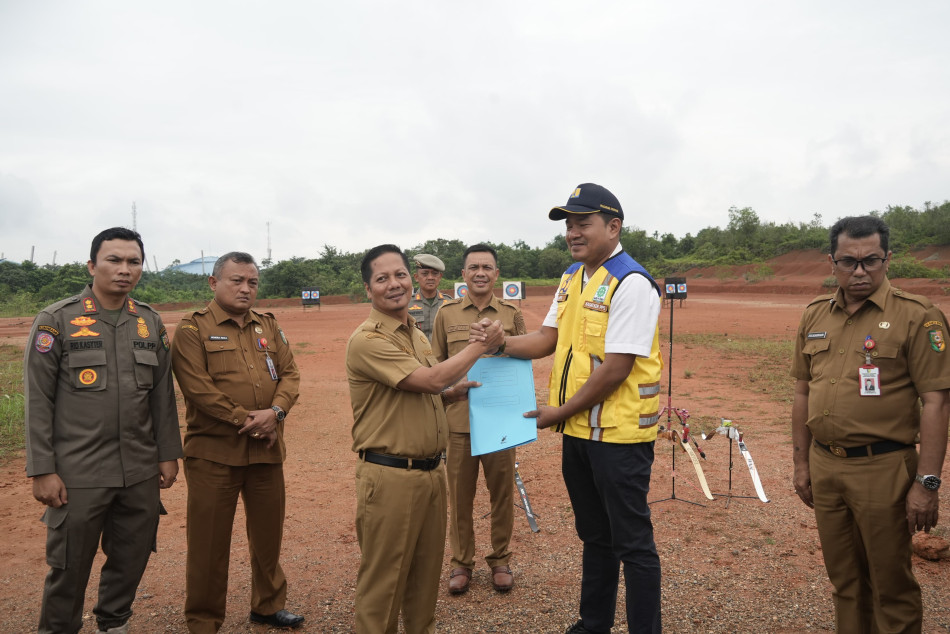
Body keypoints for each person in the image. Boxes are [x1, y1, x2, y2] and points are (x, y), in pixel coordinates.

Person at [476, 184, 664, 634]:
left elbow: (615, 369)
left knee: (633, 543)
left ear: (613, 227)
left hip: (618, 437)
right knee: (595, 536)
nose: (573, 233)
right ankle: (593, 623)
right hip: (580, 433)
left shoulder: (632, 283)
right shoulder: (573, 277)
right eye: (568, 225)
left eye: (583, 223)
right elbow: (549, 339)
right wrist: (502, 343)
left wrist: (554, 414)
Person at [791, 216, 950, 633]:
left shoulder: (918, 317)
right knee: (845, 580)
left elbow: (936, 401)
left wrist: (927, 482)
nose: (859, 271)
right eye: (849, 261)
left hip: (884, 469)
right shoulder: (814, 315)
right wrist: (801, 463)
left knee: (890, 584)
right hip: (826, 465)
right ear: (832, 262)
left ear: (887, 259)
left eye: (871, 261)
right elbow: (803, 392)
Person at [24, 227, 182, 634]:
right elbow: (38, 401)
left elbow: (162, 395)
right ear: (93, 265)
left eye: (134, 261)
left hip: (139, 469)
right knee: (69, 564)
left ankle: (114, 623)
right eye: (114, 260)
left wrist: (167, 453)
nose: (124, 270)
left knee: (132, 555)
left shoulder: (149, 322)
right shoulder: (57, 320)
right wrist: (42, 468)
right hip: (78, 472)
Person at [345, 244, 503, 633]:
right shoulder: (367, 339)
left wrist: (452, 394)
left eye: (400, 274)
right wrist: (480, 345)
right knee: (382, 592)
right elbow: (430, 379)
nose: (394, 284)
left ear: (411, 279)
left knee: (423, 587)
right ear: (369, 289)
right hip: (391, 479)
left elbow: (427, 391)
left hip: (431, 473)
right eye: (382, 278)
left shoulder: (414, 334)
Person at [170, 252, 304, 632]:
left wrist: (275, 413)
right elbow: (198, 389)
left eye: (253, 282)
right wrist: (248, 419)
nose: (246, 288)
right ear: (214, 283)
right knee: (208, 544)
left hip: (266, 450)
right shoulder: (192, 330)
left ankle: (267, 605)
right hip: (214, 455)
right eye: (237, 281)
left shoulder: (268, 325)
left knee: (268, 537)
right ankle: (203, 619)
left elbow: (290, 374)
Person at [430, 243, 527, 595]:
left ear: (497, 274)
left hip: (501, 422)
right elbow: (436, 365)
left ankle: (500, 558)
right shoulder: (446, 314)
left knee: (501, 494)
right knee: (460, 496)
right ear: (464, 274)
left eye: (487, 267)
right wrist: (452, 387)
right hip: (460, 421)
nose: (481, 273)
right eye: (474, 267)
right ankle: (461, 563)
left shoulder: (512, 313)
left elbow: (522, 362)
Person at [408, 253, 452, 340]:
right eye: (425, 274)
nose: (430, 277)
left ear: (440, 277)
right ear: (416, 277)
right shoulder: (407, 304)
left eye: (435, 274)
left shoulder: (450, 303)